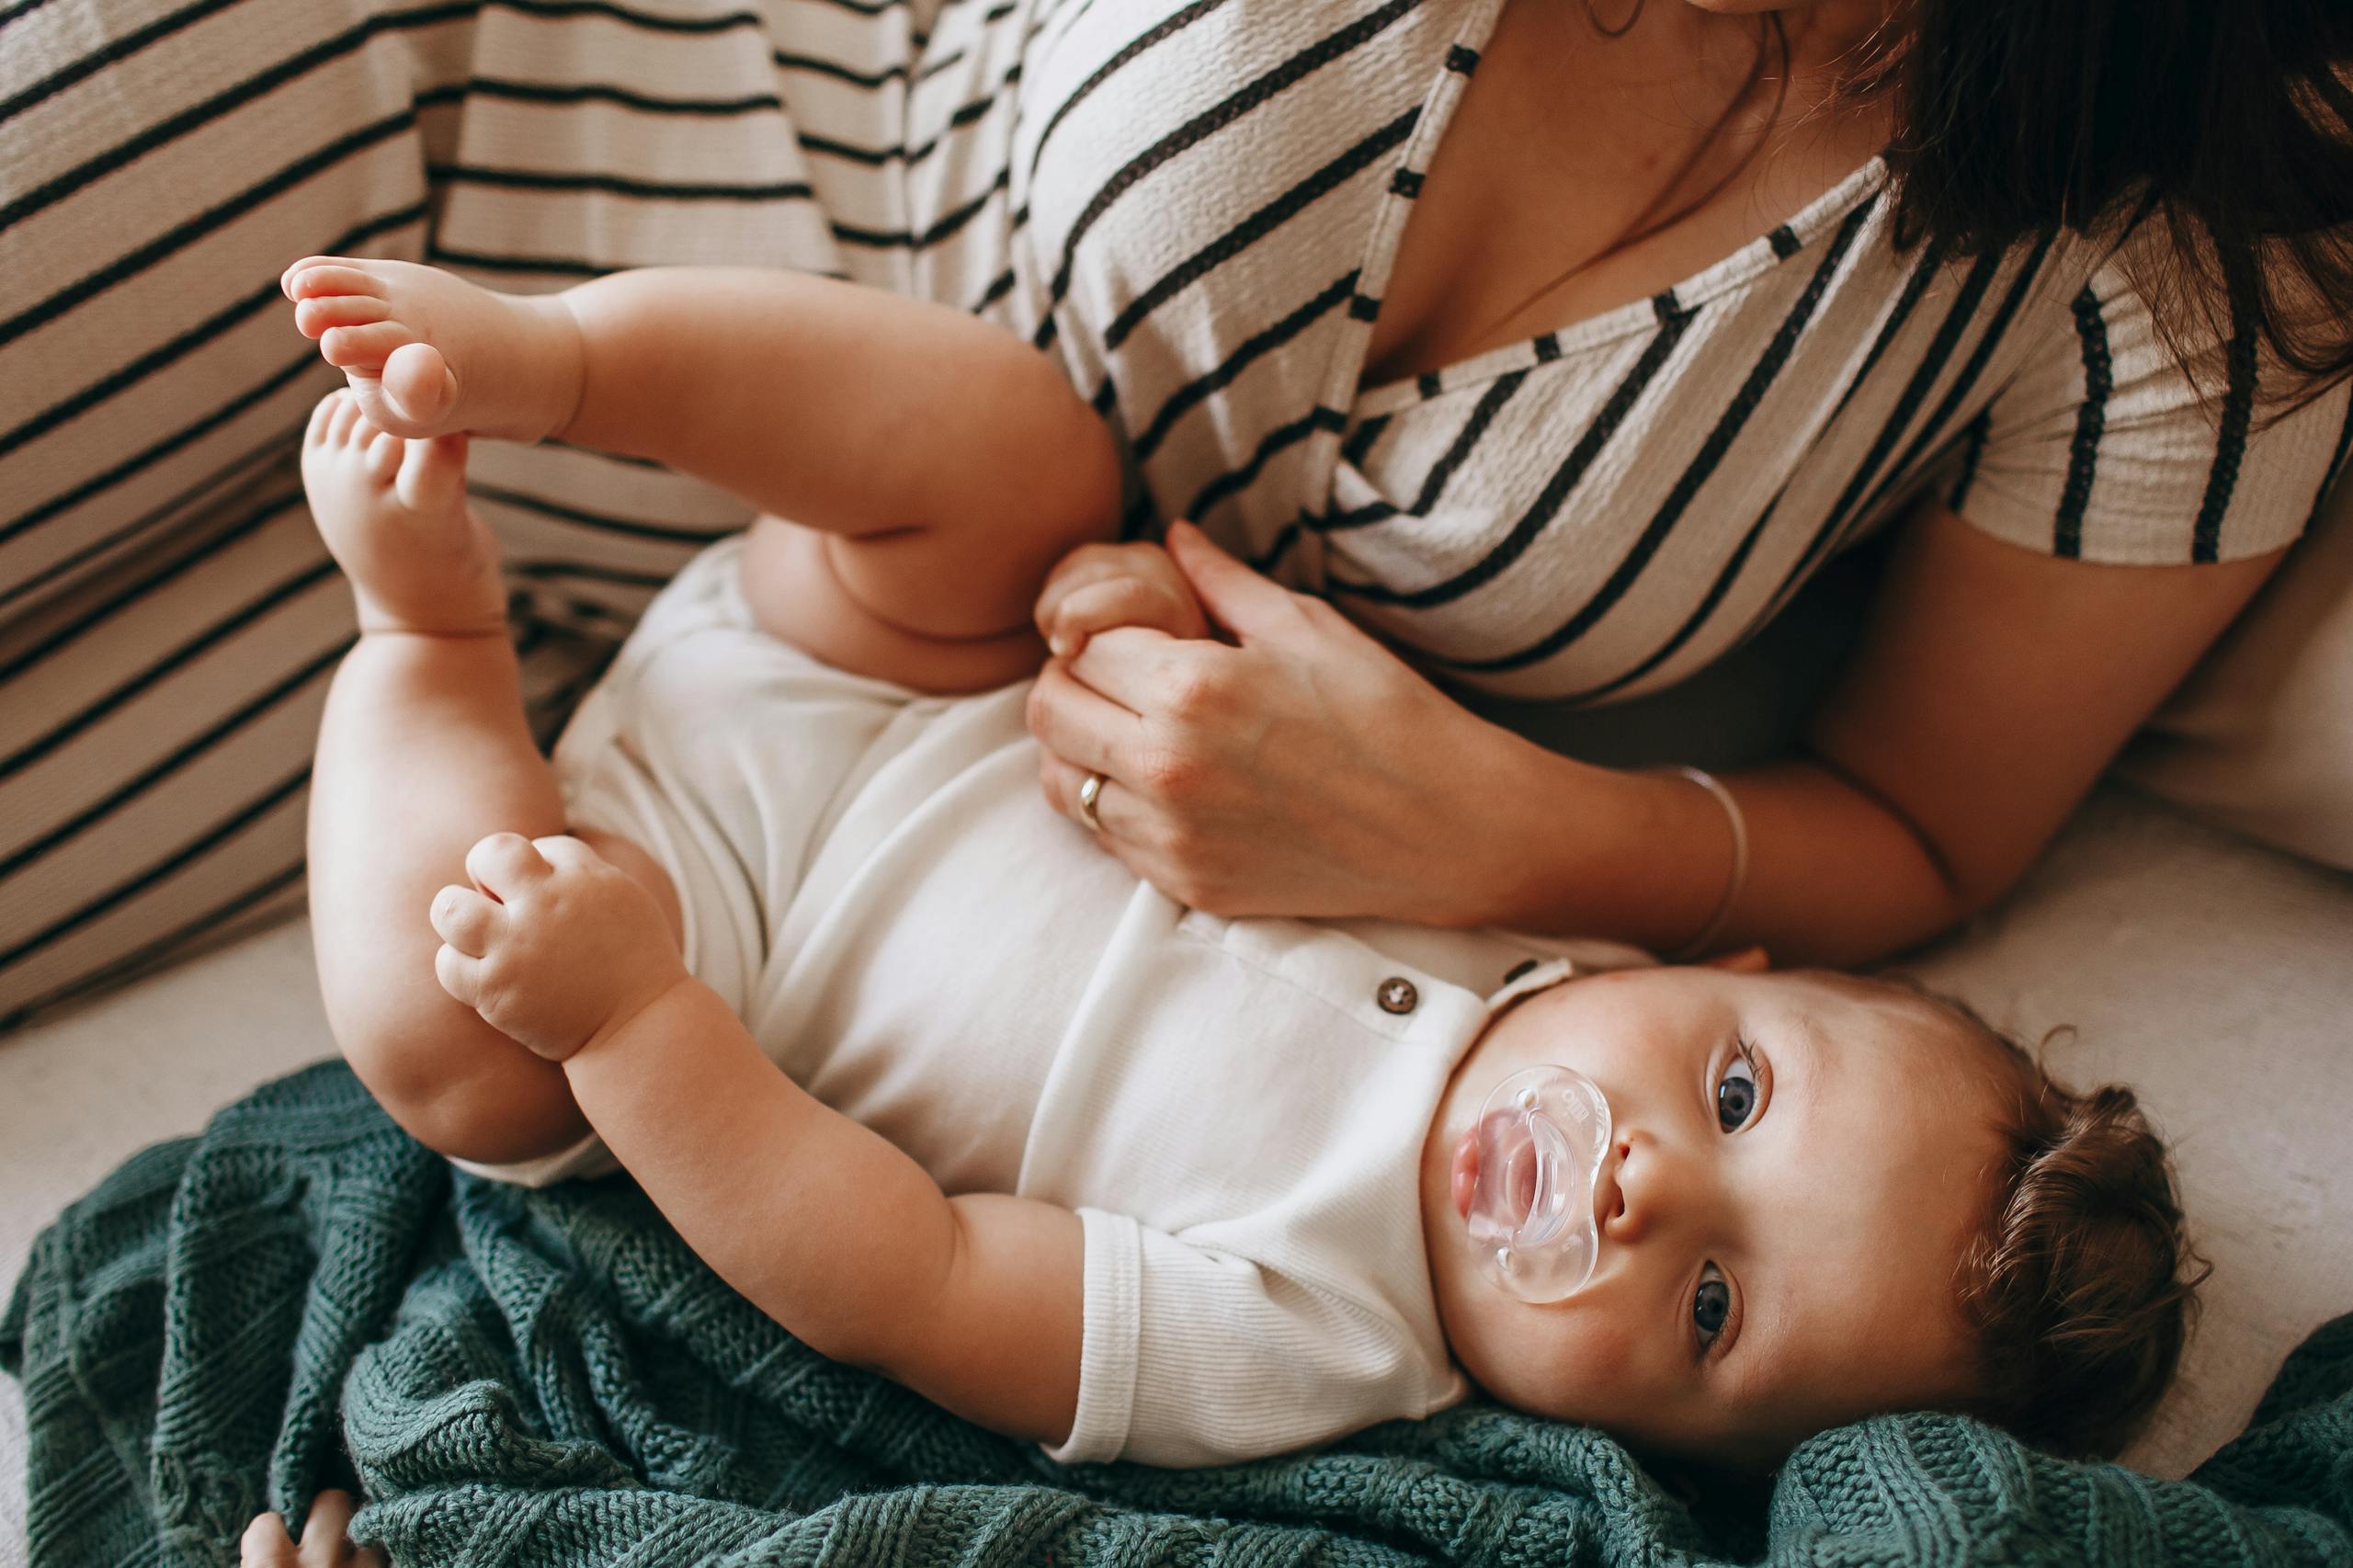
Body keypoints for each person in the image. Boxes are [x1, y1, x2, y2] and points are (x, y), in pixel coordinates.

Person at [6, 0, 2350, 1022]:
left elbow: (1930, 835)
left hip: (607, 713)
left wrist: (1502, 830)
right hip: (457, 120)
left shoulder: (2194, 242)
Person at [262, 251, 2199, 1483]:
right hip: (876, 661)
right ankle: (560, 358)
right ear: (1721, 965)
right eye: (1729, 1092)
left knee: (457, 1051)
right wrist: (1105, 603)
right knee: (1022, 455)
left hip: (678, 925)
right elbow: (1177, 648)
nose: (1635, 1180)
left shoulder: (1316, 1342)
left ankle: (421, 642)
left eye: (1706, 1307)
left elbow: (900, 1272)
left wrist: (631, 1014)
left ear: (1647, 1451)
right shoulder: (1534, 911)